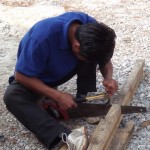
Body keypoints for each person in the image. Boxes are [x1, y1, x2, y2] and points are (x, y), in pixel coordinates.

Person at [3, 11, 118, 150]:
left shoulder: (92, 29)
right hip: (36, 77)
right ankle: (62, 136)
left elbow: (104, 58)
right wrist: (57, 95)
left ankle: (84, 99)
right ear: (76, 45)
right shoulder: (40, 38)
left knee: (89, 57)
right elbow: (21, 75)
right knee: (12, 96)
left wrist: (108, 78)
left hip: (61, 69)